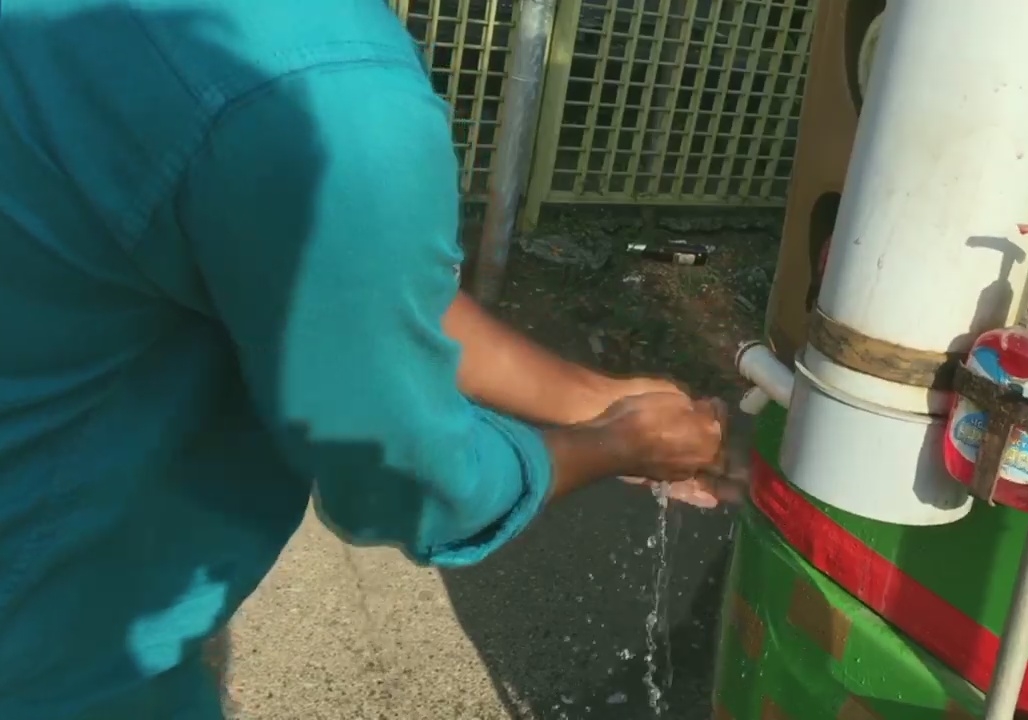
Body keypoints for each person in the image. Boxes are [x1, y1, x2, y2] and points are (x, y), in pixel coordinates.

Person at [0, 0, 737, 717]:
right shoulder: (322, 89)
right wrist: (615, 444)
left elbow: (344, 282)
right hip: (54, 645)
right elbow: (400, 478)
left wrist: (592, 397)